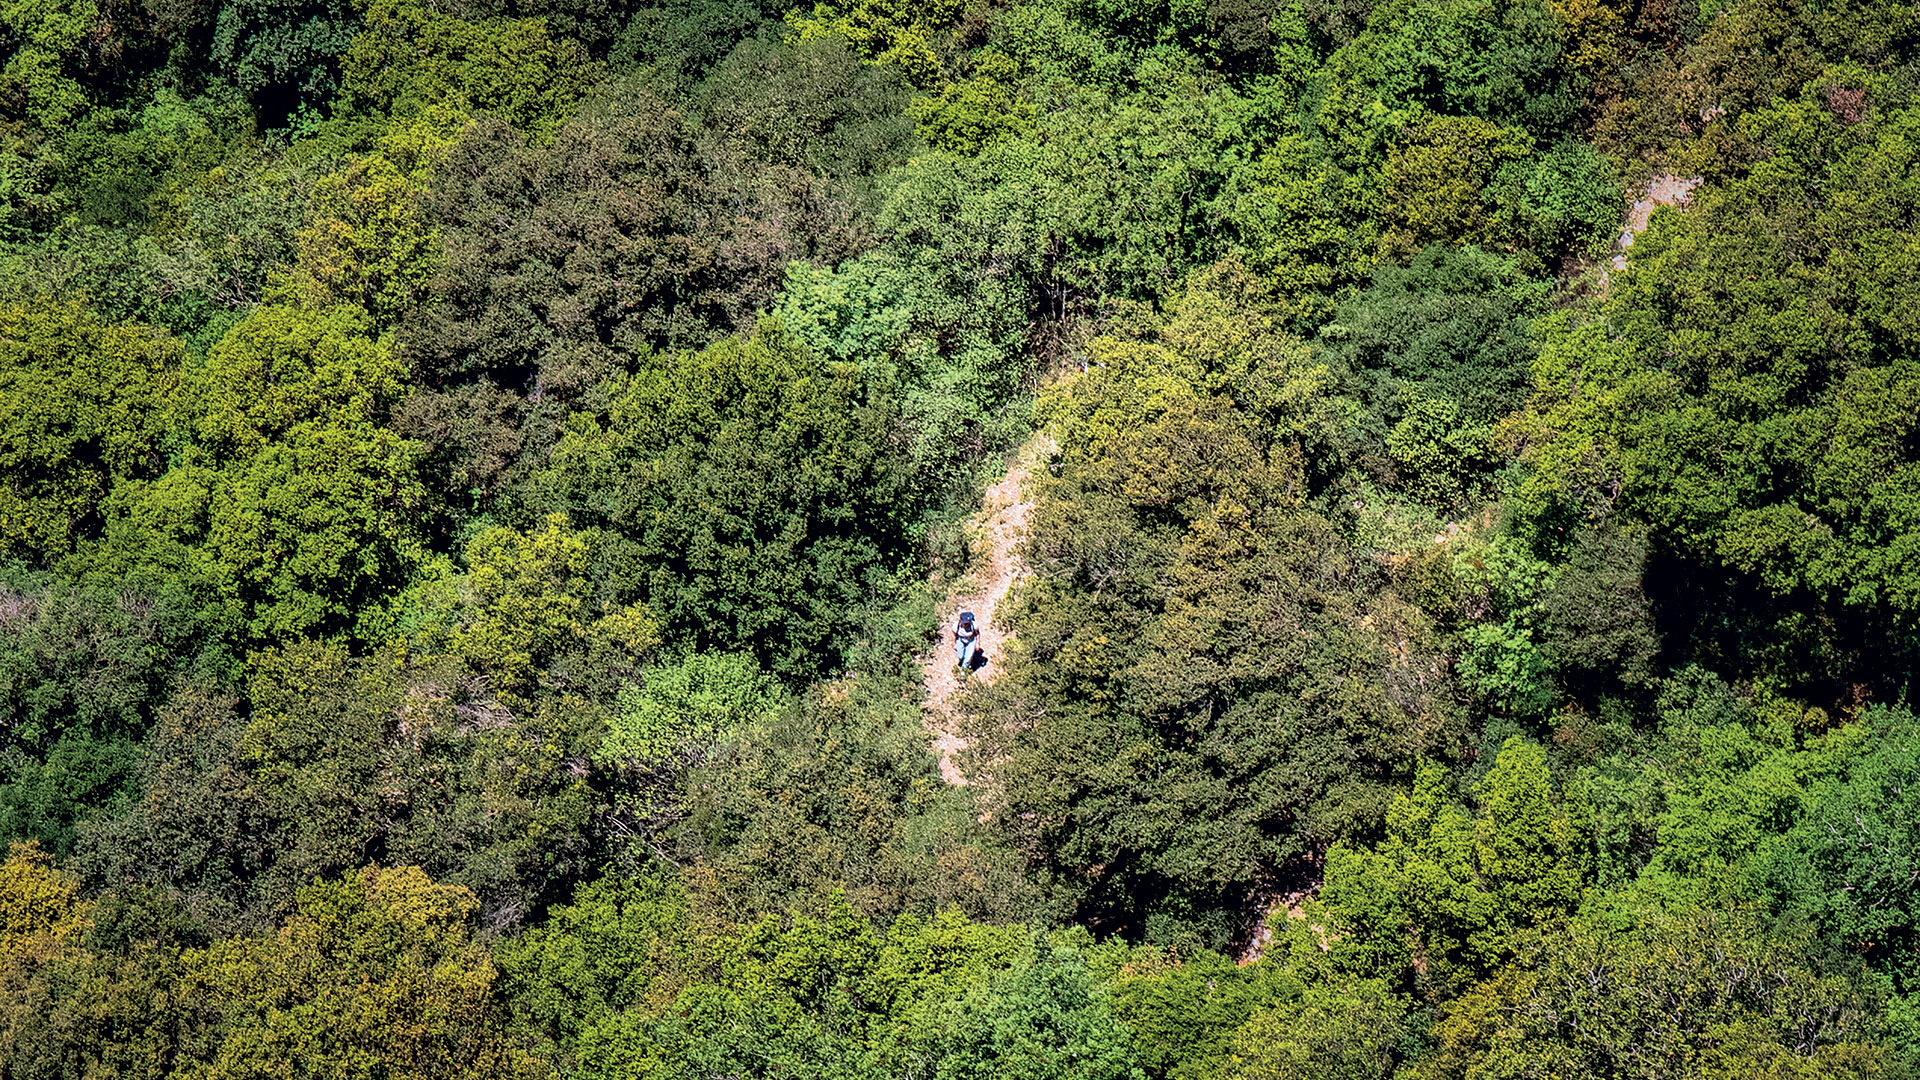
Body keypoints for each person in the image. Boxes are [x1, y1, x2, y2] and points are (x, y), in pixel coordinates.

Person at [954, 610, 980, 675]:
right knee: (960, 655)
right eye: (965, 623)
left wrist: (978, 643)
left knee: (968, 657)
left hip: (971, 640)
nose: (966, 624)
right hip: (961, 640)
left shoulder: (974, 625)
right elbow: (953, 634)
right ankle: (961, 660)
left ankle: (963, 671)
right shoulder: (956, 626)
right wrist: (954, 643)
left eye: (967, 623)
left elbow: (977, 634)